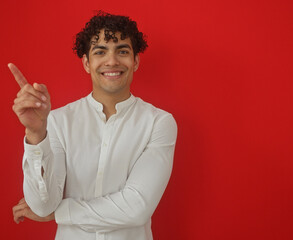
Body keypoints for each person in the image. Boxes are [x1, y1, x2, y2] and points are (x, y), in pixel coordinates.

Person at [9, 11, 177, 240]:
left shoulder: (159, 123)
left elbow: (136, 208)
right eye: (100, 51)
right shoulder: (58, 121)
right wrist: (36, 134)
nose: (112, 61)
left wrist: (60, 213)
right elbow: (42, 205)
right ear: (87, 63)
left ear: (135, 61)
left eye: (123, 51)